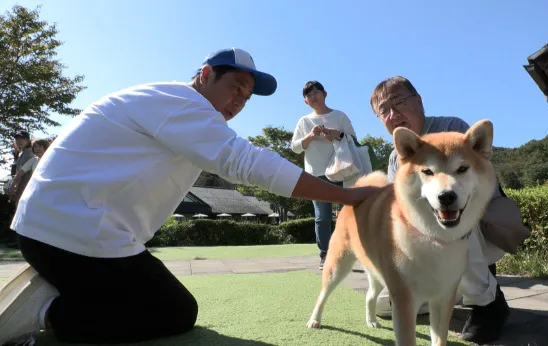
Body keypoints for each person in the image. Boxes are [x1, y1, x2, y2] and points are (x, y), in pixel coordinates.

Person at [0, 48, 381, 346]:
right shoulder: (182, 102)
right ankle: (46, 313)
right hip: (69, 234)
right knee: (175, 312)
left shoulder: (172, 106)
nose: (239, 101)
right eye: (235, 87)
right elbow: (245, 162)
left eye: (247, 97)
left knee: (166, 303)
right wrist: (347, 196)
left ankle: (65, 289)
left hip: (64, 229)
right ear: (205, 75)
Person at [369, 76, 510, 344]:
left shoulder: (453, 129)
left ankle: (488, 303)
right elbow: (398, 206)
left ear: (418, 101)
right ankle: (447, 291)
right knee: (385, 306)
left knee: (453, 227)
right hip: (428, 235)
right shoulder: (395, 158)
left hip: (477, 221)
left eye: (398, 102)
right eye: (383, 111)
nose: (392, 113)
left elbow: (483, 186)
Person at [291, 81, 358, 269]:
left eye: (316, 92)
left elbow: (354, 139)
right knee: (322, 217)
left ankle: (348, 251)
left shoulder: (339, 116)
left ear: (325, 94)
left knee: (348, 213)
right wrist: (311, 136)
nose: (313, 96)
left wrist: (337, 134)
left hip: (342, 170)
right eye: (308, 94)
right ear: (305, 101)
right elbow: (295, 147)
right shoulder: (304, 121)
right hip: (315, 175)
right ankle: (325, 254)